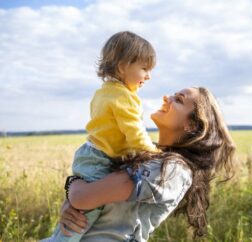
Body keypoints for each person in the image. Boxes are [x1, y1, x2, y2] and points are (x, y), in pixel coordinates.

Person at [56, 87, 236, 242]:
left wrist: (72, 187)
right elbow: (87, 193)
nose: (167, 98)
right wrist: (71, 204)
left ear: (191, 124)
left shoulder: (173, 169)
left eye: (179, 99)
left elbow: (83, 197)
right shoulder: (147, 155)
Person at [45, 31, 159, 242]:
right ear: (123, 65)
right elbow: (134, 132)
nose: (148, 76)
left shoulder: (105, 91)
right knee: (83, 215)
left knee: (81, 211)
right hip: (99, 159)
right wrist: (153, 152)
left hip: (91, 154)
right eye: (144, 68)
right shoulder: (123, 97)